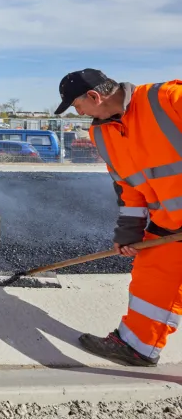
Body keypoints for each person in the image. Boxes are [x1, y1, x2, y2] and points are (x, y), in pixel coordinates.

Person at [55, 68, 182, 367]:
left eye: (77, 106)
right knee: (151, 282)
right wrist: (129, 231)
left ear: (94, 96)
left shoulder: (166, 99)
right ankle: (136, 346)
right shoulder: (100, 132)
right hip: (169, 223)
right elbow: (128, 186)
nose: (80, 113)